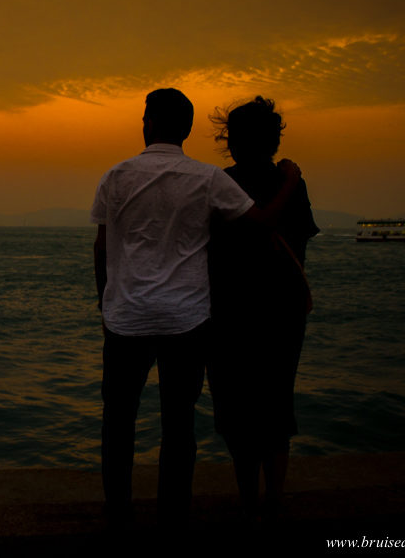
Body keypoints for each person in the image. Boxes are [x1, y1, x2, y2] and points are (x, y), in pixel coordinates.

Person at [91, 88, 302, 528]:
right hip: (186, 321)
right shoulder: (207, 179)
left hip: (126, 318)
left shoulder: (116, 176)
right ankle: (173, 518)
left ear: (146, 123)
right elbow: (262, 222)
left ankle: (118, 513)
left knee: (118, 422)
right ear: (187, 129)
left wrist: (105, 303)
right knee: (178, 424)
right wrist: (290, 182)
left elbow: (101, 248)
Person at [206, 96, 319, 525]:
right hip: (281, 309)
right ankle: (275, 498)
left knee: (237, 407)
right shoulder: (290, 181)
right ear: (273, 140)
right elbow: (301, 242)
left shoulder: (219, 183)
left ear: (231, 140)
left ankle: (248, 500)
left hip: (229, 309)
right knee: (276, 400)